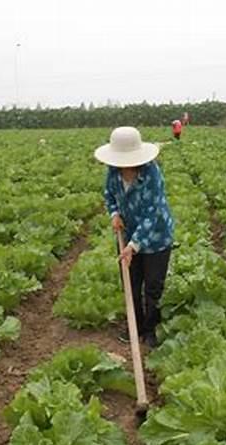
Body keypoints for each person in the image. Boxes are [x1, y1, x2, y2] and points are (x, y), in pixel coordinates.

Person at [95, 127, 175, 348]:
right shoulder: (113, 172)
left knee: (152, 286)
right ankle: (135, 324)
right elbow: (109, 195)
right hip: (129, 234)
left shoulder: (151, 174)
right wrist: (114, 213)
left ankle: (150, 329)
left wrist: (134, 245)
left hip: (156, 237)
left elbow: (153, 213)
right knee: (131, 282)